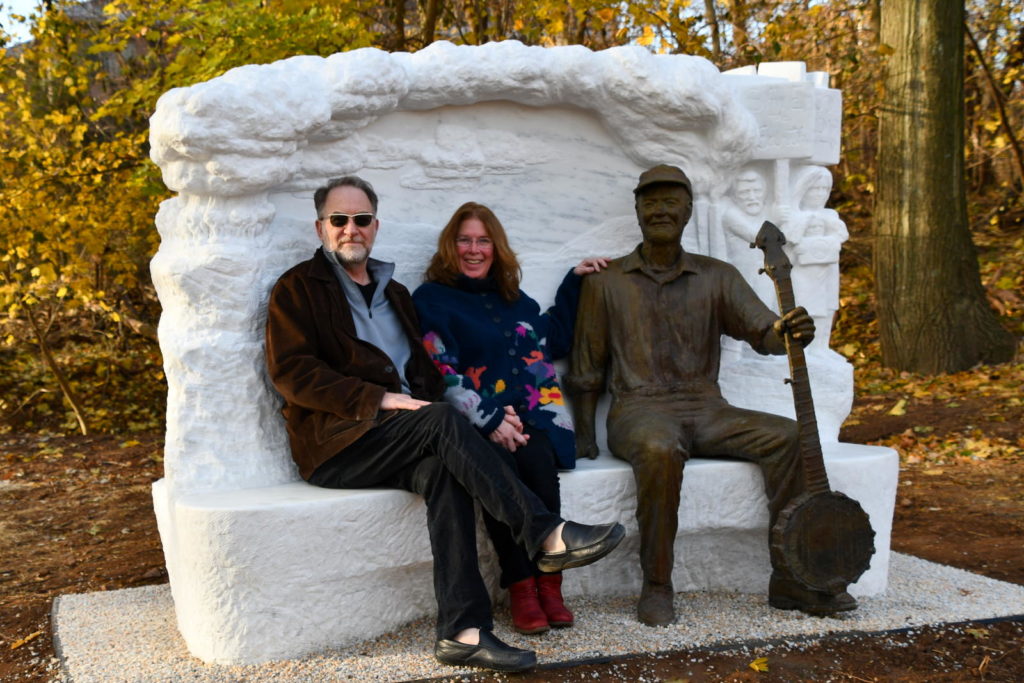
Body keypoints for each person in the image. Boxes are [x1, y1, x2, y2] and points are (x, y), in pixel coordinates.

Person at [264, 176, 625, 672]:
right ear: (321, 226)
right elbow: (292, 373)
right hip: (337, 443)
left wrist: (485, 411)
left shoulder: (396, 294)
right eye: (339, 220)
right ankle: (544, 534)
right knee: (440, 418)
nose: (351, 229)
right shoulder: (298, 288)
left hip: (400, 438)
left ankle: (463, 632)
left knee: (444, 473)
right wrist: (379, 398)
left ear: (375, 225)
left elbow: (430, 374)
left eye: (361, 219)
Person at [566, 164, 857, 627]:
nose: (660, 210)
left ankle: (795, 579)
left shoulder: (716, 276)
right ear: (638, 211)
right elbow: (585, 367)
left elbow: (762, 329)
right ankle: (657, 583)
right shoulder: (607, 282)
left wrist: (788, 330)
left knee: (789, 436)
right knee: (660, 449)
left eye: (670, 202)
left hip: (707, 408)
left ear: (687, 212)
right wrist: (584, 436)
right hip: (638, 410)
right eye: (651, 202)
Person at [412, 202, 607, 635]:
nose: (474, 249)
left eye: (483, 240)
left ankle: (549, 585)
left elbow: (550, 338)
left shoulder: (515, 300)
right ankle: (521, 586)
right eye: (465, 240)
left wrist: (575, 282)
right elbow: (440, 368)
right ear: (451, 246)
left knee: (537, 459)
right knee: (502, 466)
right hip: (475, 421)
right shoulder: (432, 299)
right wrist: (489, 417)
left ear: (496, 248)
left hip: (531, 416)